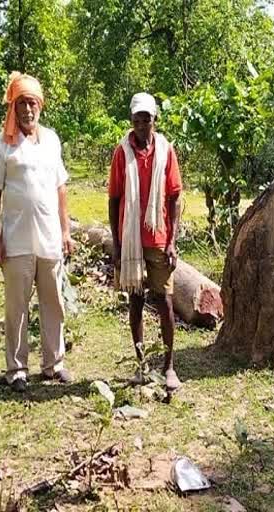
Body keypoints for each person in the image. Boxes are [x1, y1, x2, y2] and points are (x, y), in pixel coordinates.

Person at [0, 72, 76, 392]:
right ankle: (17, 369)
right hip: (16, 239)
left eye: (33, 103)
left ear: (41, 106)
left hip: (49, 237)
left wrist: (65, 231)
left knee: (53, 303)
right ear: (14, 108)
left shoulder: (51, 140)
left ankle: (54, 364)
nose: (27, 109)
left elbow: (60, 188)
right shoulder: (3, 144)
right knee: (17, 307)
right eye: (22, 103)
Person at [108, 92, 183, 391]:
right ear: (131, 121)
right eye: (137, 120)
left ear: (155, 120)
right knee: (136, 300)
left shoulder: (165, 151)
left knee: (165, 301)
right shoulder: (121, 152)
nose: (142, 125)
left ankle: (169, 367)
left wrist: (172, 241)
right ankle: (140, 365)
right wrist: (116, 243)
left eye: (147, 120)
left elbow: (175, 196)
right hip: (130, 240)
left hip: (158, 237)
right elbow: (114, 199)